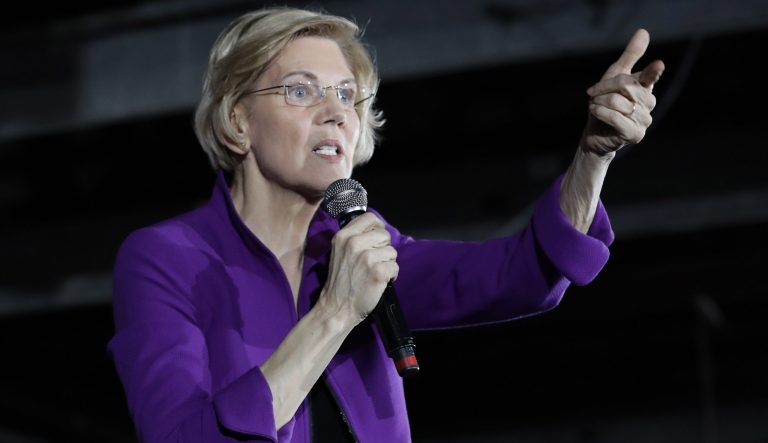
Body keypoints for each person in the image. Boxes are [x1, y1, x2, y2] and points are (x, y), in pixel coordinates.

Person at [107, 6, 664, 443]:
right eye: (301, 91)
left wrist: (593, 156)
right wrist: (335, 313)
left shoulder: (364, 246)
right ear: (237, 121)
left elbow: (521, 274)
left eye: (347, 94)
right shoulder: (165, 258)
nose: (335, 111)